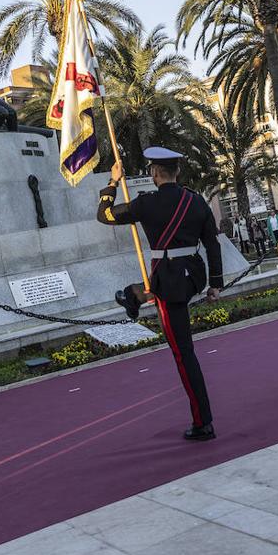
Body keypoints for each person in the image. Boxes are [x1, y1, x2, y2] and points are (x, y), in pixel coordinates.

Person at [99, 148, 223, 441]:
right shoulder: (196, 200)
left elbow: (104, 215)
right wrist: (215, 283)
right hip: (193, 276)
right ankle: (136, 296)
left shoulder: (146, 203)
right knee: (162, 302)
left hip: (169, 283)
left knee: (183, 354)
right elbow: (213, 244)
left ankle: (203, 422)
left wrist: (113, 183)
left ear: (155, 174)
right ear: (177, 172)